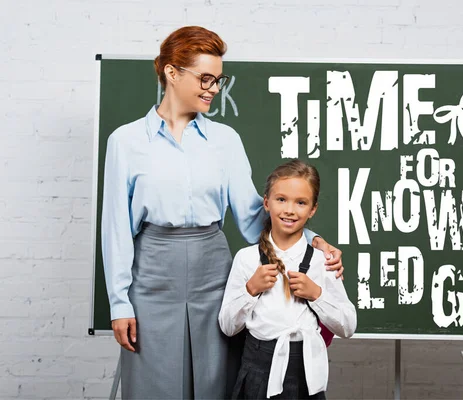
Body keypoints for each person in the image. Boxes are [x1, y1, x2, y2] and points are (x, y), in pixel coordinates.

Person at [100, 26, 343, 399]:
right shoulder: (126, 142)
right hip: (150, 278)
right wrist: (119, 303)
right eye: (206, 78)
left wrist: (314, 243)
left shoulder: (225, 140)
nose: (215, 88)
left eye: (218, 79)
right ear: (172, 73)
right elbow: (117, 229)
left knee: (216, 383)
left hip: (214, 276)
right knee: (153, 386)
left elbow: (252, 217)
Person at [219, 159, 357, 399]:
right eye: (281, 199)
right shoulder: (246, 259)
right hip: (257, 368)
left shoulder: (322, 261)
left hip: (305, 370)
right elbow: (228, 326)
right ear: (266, 203)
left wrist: (317, 295)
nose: (290, 210)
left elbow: (348, 326)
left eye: (301, 202)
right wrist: (250, 290)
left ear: (312, 209)